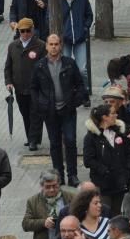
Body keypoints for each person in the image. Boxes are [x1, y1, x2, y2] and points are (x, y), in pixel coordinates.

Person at [30, 34, 89, 187]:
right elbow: (34, 88)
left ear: (61, 45)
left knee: (70, 141)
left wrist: (76, 101)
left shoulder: (69, 63)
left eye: (56, 44)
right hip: (49, 112)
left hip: (67, 110)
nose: (54, 47)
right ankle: (59, 176)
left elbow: (80, 84)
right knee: (55, 144)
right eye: (51, 44)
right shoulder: (40, 66)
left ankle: (73, 175)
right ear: (46, 46)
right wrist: (40, 105)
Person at [84, 104, 130, 214]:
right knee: (104, 214)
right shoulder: (91, 137)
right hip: (103, 185)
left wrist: (128, 169)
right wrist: (104, 171)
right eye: (113, 113)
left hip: (120, 182)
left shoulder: (119, 133)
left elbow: (129, 153)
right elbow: (88, 160)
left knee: (117, 215)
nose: (116, 115)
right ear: (104, 117)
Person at [5, 17, 47, 151]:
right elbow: (8, 66)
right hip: (19, 87)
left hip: (36, 88)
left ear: (32, 30)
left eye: (28, 31)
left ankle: (33, 139)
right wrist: (9, 82)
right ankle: (30, 137)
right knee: (25, 113)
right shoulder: (13, 46)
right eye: (22, 31)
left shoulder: (40, 45)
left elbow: (45, 66)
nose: (25, 34)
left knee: (35, 113)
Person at [60, 0, 94, 99]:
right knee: (66, 69)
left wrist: (85, 28)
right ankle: (68, 94)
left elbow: (89, 15)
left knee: (82, 70)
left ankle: (84, 93)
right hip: (65, 40)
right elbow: (50, 17)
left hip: (80, 39)